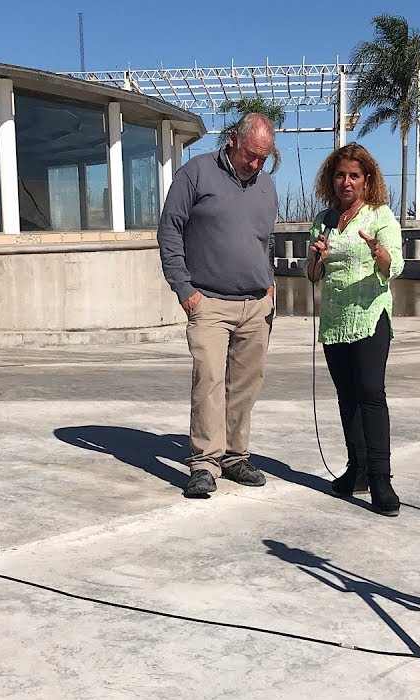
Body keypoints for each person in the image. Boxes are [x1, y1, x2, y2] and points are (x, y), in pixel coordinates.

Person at [157, 113, 279, 499]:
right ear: (232, 140)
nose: (256, 165)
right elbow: (169, 230)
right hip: (208, 301)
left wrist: (270, 283)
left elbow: (265, 241)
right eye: (251, 155)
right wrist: (184, 289)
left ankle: (235, 457)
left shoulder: (266, 187)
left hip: (256, 305)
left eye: (264, 158)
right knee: (208, 381)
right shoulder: (195, 174)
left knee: (245, 385)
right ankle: (205, 464)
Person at [305, 143, 404, 516]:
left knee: (370, 393)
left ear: (367, 181)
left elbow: (394, 266)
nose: (346, 182)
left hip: (369, 315)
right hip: (334, 318)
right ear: (332, 179)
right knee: (347, 395)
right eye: (340, 175)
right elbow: (312, 275)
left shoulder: (379, 216)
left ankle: (381, 478)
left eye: (354, 176)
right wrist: (317, 258)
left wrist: (379, 253)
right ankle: (357, 469)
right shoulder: (324, 219)